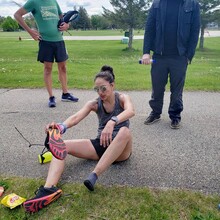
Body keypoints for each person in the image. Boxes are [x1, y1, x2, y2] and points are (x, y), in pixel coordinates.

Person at [23, 65, 135, 213]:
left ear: (112, 85)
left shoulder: (122, 98)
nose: (100, 93)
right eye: (97, 89)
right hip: (100, 146)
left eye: (103, 88)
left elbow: (131, 111)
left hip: (121, 151)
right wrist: (59, 127)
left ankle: (94, 175)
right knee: (61, 146)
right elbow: (75, 118)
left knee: (125, 131)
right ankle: (49, 189)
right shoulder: (94, 104)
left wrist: (112, 121)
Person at [140, 0, 200, 129]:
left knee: (177, 89)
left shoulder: (192, 4)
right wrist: (146, 52)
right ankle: (155, 113)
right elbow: (149, 28)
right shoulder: (157, 4)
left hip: (180, 56)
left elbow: (195, 30)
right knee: (157, 87)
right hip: (159, 55)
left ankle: (175, 116)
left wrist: (189, 55)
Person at [14, 0, 79, 108]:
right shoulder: (34, 2)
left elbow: (61, 17)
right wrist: (30, 32)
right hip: (45, 41)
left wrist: (66, 25)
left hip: (59, 40)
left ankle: (65, 94)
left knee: (63, 68)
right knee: (48, 69)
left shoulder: (53, 1)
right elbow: (17, 15)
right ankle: (51, 97)